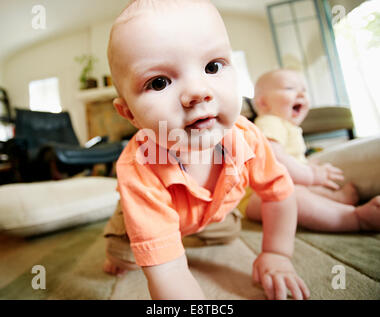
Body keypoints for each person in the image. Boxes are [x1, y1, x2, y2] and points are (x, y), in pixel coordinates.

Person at [103, 0, 310, 300]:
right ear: (130, 115)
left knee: (228, 233)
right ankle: (146, 237)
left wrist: (277, 253)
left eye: (212, 66)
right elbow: (168, 272)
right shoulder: (140, 166)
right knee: (128, 256)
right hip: (142, 216)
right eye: (159, 82)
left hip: (209, 214)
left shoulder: (246, 137)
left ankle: (181, 235)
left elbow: (279, 194)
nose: (198, 91)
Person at [248, 68, 380, 232]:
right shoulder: (269, 121)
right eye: (290, 88)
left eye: (304, 90)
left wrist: (307, 166)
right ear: (263, 103)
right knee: (290, 195)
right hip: (254, 195)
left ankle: (335, 200)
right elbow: (274, 157)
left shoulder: (287, 126)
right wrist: (310, 175)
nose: (301, 94)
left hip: (283, 182)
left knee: (302, 190)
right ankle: (353, 218)